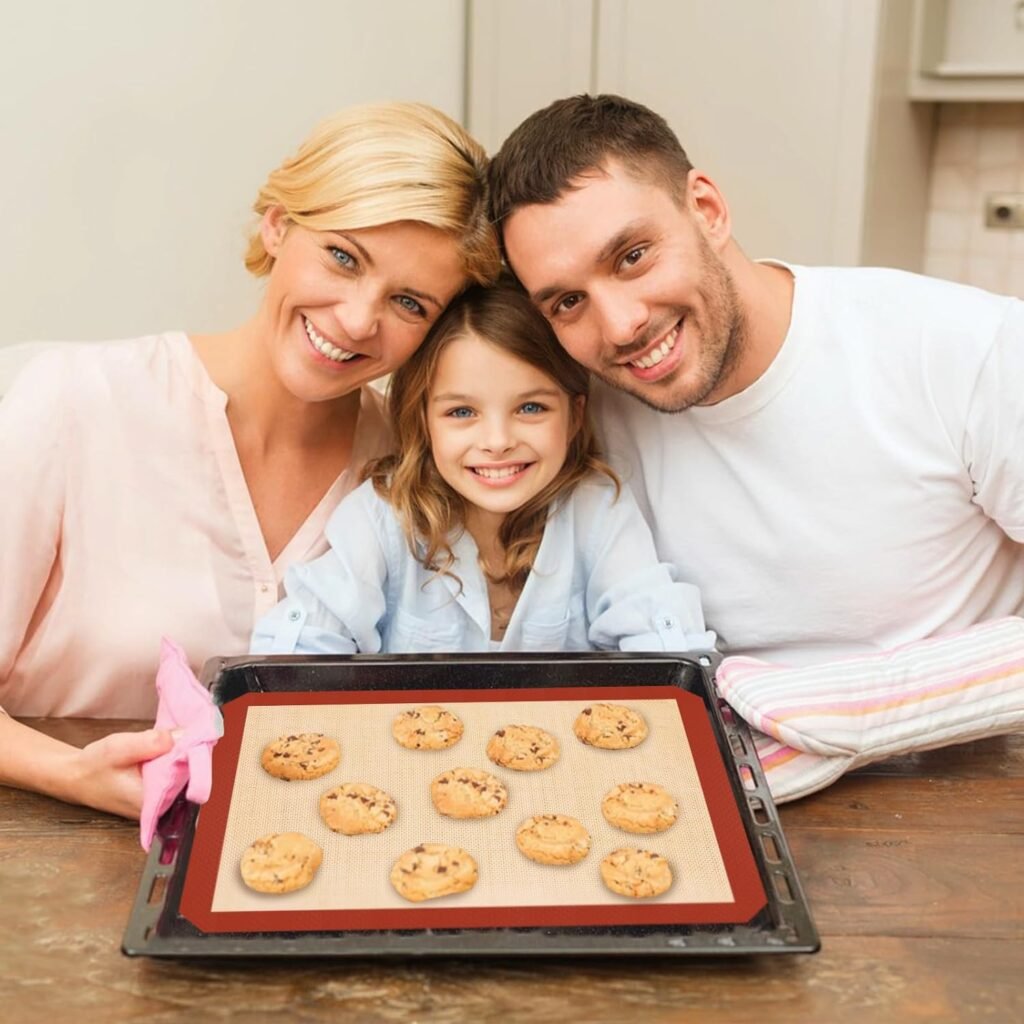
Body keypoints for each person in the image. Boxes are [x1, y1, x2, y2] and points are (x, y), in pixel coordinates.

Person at [487, 94, 1024, 798]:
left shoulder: (964, 348)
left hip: (952, 801)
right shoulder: (576, 412)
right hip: (700, 795)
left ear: (706, 210)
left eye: (632, 256)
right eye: (566, 302)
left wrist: (846, 713)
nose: (618, 326)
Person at [0, 101, 501, 818]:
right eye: (342, 256)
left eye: (410, 303)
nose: (358, 319)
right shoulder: (77, 403)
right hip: (47, 867)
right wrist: (71, 774)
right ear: (277, 224)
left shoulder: (414, 465)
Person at [252, 279, 714, 655]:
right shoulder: (383, 515)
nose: (497, 442)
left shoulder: (597, 509)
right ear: (423, 420)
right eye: (461, 413)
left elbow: (663, 643)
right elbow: (302, 643)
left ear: (574, 416)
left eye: (531, 408)